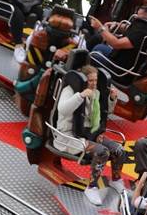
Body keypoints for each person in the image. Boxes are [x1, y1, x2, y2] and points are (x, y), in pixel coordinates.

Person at [53, 66, 124, 206]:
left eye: (95, 80)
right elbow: (63, 109)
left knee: (118, 150)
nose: (93, 83)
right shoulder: (70, 90)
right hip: (69, 136)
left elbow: (104, 113)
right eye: (90, 80)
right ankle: (91, 187)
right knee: (102, 152)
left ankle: (116, 180)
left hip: (90, 133)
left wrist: (111, 99)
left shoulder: (95, 92)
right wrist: (80, 96)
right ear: (83, 80)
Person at [88, 5, 147, 75]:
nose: (135, 18)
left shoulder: (141, 32)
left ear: (145, 18)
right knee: (99, 47)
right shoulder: (143, 28)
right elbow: (129, 28)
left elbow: (116, 44)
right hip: (118, 58)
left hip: (120, 70)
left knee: (92, 56)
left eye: (138, 17)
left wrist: (100, 28)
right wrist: (115, 24)